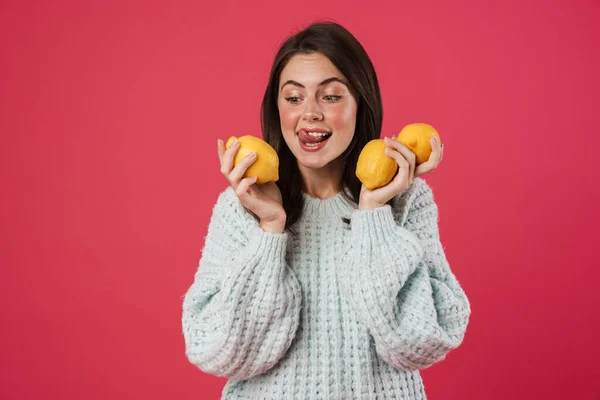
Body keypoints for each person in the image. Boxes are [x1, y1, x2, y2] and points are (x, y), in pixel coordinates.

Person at [182, 21, 471, 400]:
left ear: (360, 103)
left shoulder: (406, 201)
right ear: (277, 109)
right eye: (293, 97)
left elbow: (420, 342)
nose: (310, 113)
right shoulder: (240, 207)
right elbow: (219, 353)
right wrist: (271, 229)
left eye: (331, 96)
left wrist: (373, 214)